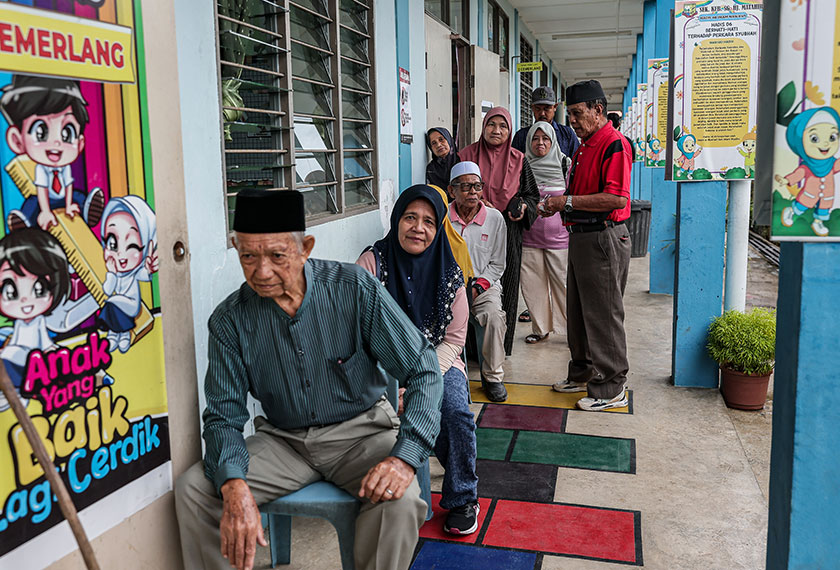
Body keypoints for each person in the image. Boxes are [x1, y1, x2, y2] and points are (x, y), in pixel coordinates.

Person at [174, 189, 444, 570]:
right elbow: (223, 417)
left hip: (362, 434)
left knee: (398, 501)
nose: (261, 271)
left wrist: (404, 458)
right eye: (248, 256)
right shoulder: (230, 321)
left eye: (276, 256)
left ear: (305, 249)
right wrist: (233, 483)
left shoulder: (353, 288)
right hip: (284, 442)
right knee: (195, 490)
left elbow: (423, 367)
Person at [357, 184, 480, 534]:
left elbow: (453, 341)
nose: (418, 228)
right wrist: (388, 386)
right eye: (410, 218)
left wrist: (419, 386)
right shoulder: (372, 264)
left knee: (454, 411)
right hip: (380, 367)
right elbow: (353, 329)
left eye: (428, 221)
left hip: (438, 362)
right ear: (397, 220)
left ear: (438, 228)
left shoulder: (450, 273)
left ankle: (463, 497)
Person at [539, 80, 632, 412]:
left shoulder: (613, 144)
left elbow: (616, 197)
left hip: (603, 237)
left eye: (578, 113)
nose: (572, 121)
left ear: (598, 110)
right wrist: (560, 204)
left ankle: (612, 387)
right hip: (581, 236)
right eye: (570, 114)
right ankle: (583, 372)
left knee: (604, 314)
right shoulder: (585, 145)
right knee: (579, 312)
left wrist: (565, 201)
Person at [460, 107, 539, 356]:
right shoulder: (466, 156)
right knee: (468, 283)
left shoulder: (519, 159)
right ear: (483, 127)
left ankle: (499, 347)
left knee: (507, 283)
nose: (496, 130)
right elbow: (452, 188)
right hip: (469, 228)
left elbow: (532, 196)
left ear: (510, 130)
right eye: (491, 125)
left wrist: (522, 206)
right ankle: (467, 349)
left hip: (508, 230)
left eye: (503, 126)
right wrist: (476, 201)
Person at [0, 75, 104, 232]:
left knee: (78, 196)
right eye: (41, 132)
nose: (56, 143)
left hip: (62, 198)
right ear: (17, 141)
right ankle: (25, 224)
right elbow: (42, 191)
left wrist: (68, 206)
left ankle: (87, 210)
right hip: (46, 201)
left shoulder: (65, 168)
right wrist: (46, 211)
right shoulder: (41, 169)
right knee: (32, 203)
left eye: (67, 133)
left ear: (80, 143)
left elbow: (68, 185)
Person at [446, 161, 509, 402]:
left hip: (483, 286)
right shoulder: (442, 217)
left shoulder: (494, 218)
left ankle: (493, 377)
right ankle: (447, 372)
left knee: (493, 317)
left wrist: (477, 287)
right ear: (452, 190)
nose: (472, 192)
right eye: (465, 187)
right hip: (448, 287)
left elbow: (498, 264)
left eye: (477, 186)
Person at [520, 122, 569, 346]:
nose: (540, 143)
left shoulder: (565, 164)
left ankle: (570, 331)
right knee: (533, 286)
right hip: (529, 237)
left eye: (545, 138)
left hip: (560, 239)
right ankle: (540, 329)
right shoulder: (522, 165)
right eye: (535, 138)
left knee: (564, 286)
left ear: (553, 141)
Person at [512, 86, 579, 159]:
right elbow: (513, 163)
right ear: (532, 108)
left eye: (547, 109)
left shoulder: (567, 134)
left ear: (555, 107)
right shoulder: (521, 136)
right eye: (538, 109)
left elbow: (577, 160)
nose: (542, 113)